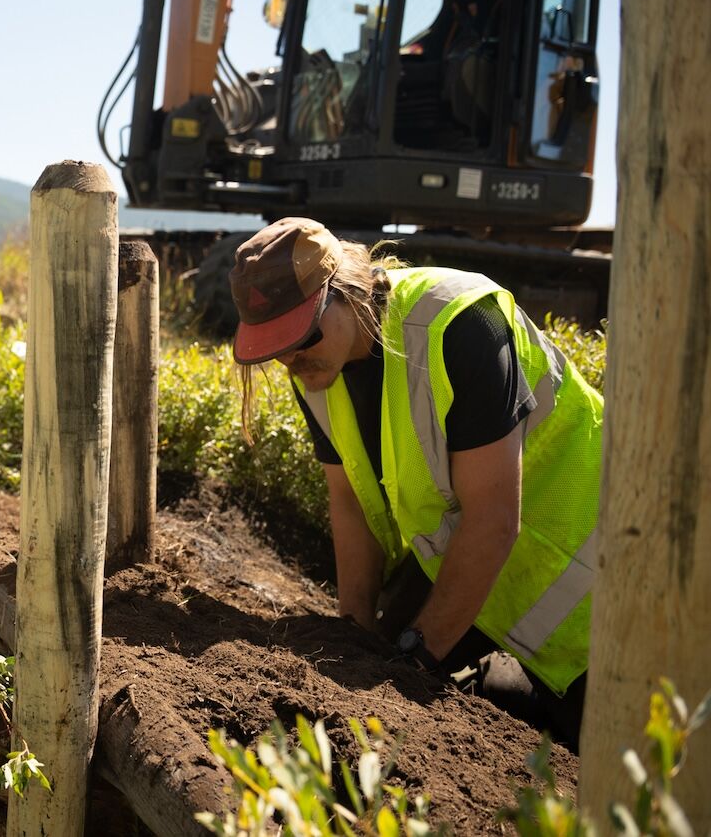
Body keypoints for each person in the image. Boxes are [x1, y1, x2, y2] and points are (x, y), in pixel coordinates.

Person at [230, 217, 602, 749]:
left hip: (596, 576)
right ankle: (505, 683)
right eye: (276, 347)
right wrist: (354, 638)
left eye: (302, 335)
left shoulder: (460, 324)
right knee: (385, 650)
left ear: (349, 291)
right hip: (470, 554)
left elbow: (494, 522)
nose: (291, 358)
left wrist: (414, 662)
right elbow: (350, 502)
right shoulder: (316, 369)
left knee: (608, 762)